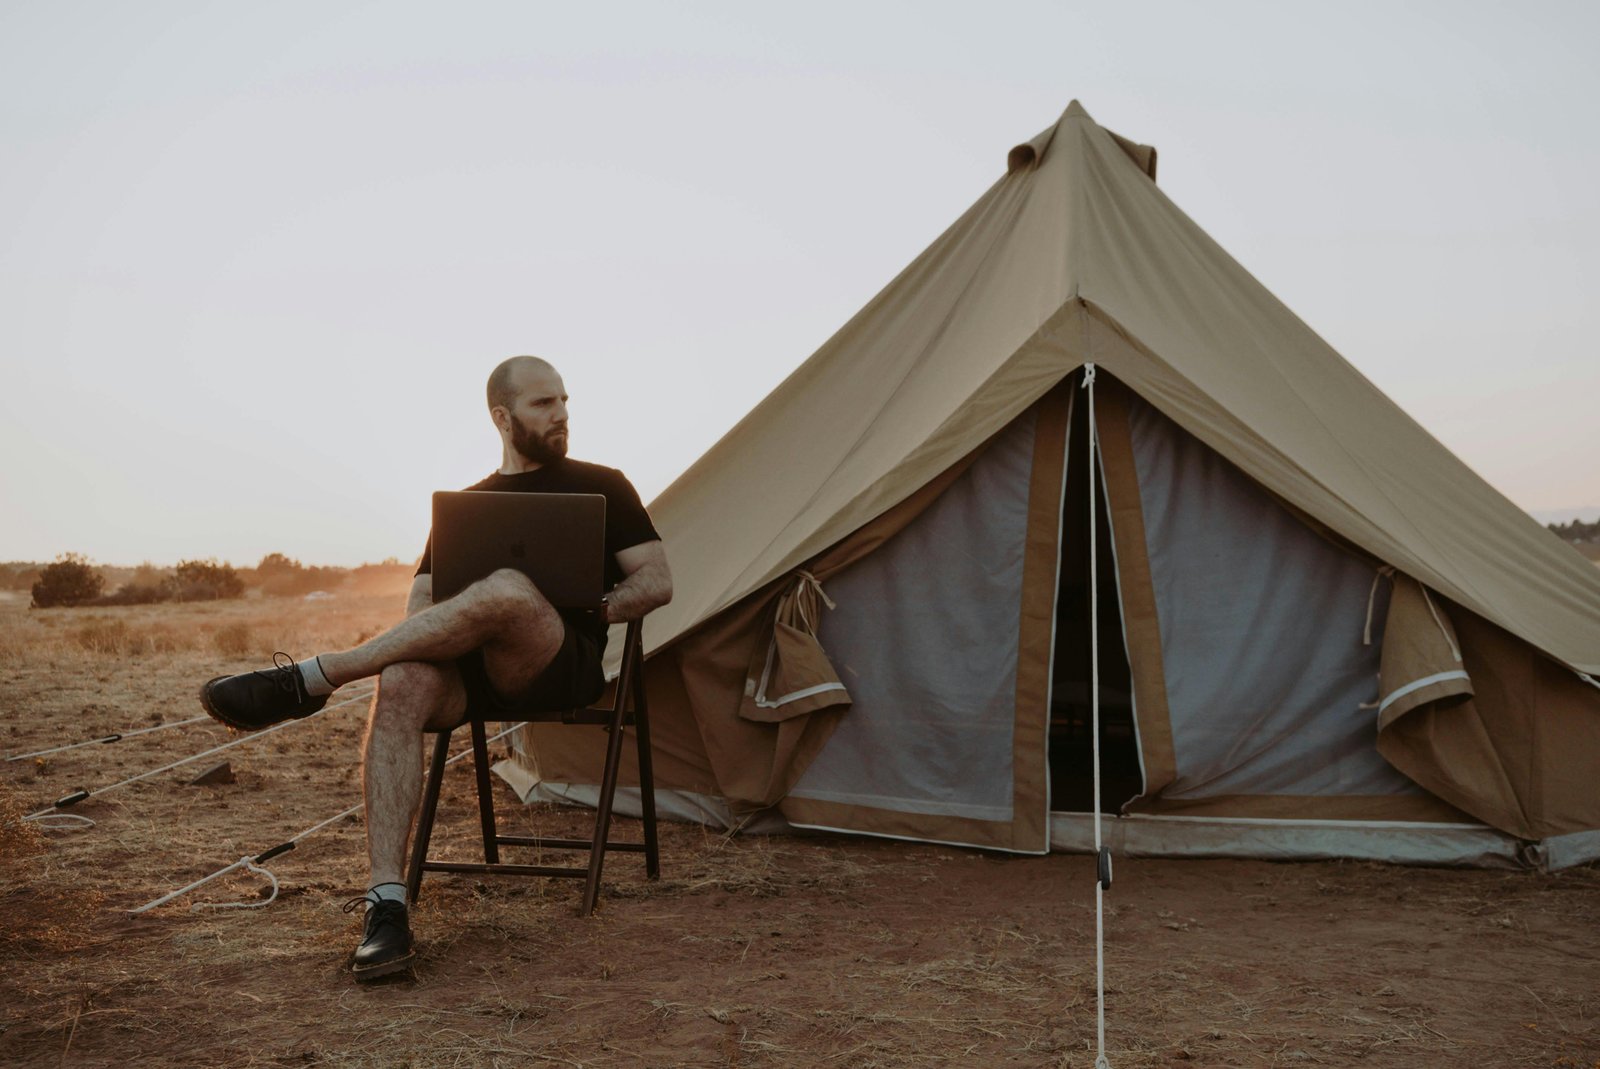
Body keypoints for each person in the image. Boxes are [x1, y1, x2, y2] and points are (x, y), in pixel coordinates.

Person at [197, 355, 672, 981]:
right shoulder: (464, 506)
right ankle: (387, 906)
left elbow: (657, 582)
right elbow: (419, 607)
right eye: (543, 403)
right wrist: (467, 618)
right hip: (471, 675)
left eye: (564, 400)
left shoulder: (603, 485)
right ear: (502, 417)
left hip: (558, 663)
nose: (561, 413)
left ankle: (316, 676)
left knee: (508, 589)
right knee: (400, 680)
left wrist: (591, 604)